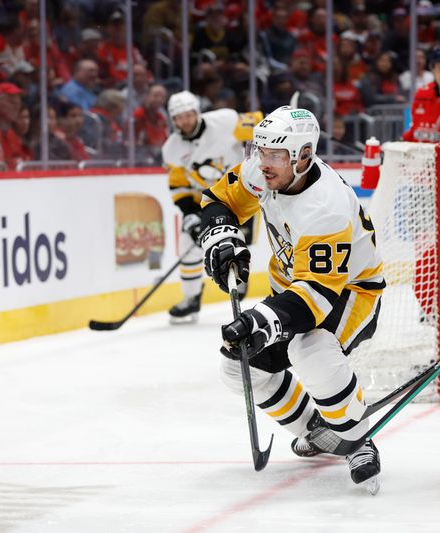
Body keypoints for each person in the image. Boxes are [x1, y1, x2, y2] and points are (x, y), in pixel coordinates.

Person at [199, 106, 385, 489]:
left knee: (310, 348)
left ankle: (356, 441)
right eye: (260, 151)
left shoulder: (325, 207)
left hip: (349, 293)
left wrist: (260, 321)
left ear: (303, 156)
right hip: (293, 291)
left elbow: (316, 298)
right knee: (238, 367)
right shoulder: (264, 171)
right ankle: (318, 430)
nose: (264, 163)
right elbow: (218, 202)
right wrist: (223, 239)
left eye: (275, 155)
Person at [161, 90, 261, 323]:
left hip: (239, 194)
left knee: (237, 243)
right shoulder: (172, 149)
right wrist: (190, 215)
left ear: (197, 112)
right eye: (179, 117)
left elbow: (259, 123)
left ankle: (241, 279)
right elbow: (179, 185)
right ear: (172, 120)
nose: (185, 121)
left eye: (189, 114)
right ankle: (192, 298)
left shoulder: (225, 121)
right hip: (207, 201)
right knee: (189, 242)